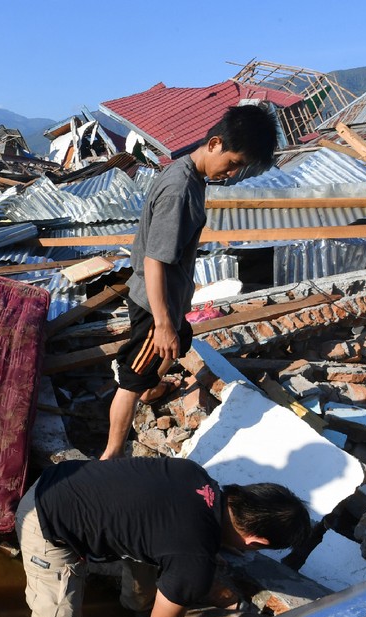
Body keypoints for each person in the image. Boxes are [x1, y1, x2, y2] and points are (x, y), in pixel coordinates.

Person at [0, 457, 310, 617]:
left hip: (58, 481)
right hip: (46, 525)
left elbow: (158, 524)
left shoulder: (194, 474)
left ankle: (132, 600)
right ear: (257, 542)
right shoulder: (193, 560)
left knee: (150, 556)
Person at [101, 105, 278, 460]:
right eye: (233, 163)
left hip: (169, 298)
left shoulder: (192, 176)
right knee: (132, 378)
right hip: (155, 304)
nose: (232, 173)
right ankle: (111, 454)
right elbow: (154, 260)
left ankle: (151, 391)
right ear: (214, 143)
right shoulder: (180, 189)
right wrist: (163, 322)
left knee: (177, 343)